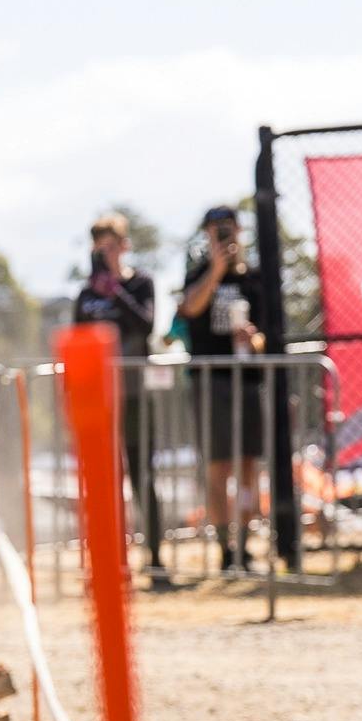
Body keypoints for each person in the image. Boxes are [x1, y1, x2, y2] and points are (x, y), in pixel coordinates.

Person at [176, 204, 269, 573]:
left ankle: (246, 545)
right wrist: (215, 270)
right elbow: (189, 309)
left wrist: (253, 339)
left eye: (228, 229)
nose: (223, 236)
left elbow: (266, 336)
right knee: (217, 468)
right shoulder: (198, 275)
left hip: (246, 380)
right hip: (210, 382)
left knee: (247, 465)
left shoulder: (255, 279)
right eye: (215, 231)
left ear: (239, 230)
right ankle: (223, 548)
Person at [73, 212, 165, 583]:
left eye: (110, 246)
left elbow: (145, 325)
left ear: (123, 246)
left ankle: (156, 558)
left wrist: (117, 291)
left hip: (135, 394)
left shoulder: (141, 283)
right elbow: (78, 340)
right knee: (105, 481)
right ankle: (112, 562)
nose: (104, 253)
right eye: (99, 248)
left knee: (143, 477)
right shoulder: (85, 294)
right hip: (99, 400)